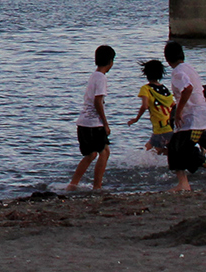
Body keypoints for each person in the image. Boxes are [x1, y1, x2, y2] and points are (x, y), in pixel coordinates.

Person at [163, 41, 206, 191]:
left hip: (192, 117)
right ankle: (183, 183)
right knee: (175, 148)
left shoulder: (177, 72)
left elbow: (188, 89)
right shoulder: (188, 67)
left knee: (183, 149)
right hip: (197, 115)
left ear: (167, 59)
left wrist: (178, 111)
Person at [66, 45, 115, 191]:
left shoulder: (94, 75)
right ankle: (97, 186)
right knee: (104, 152)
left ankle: (73, 184)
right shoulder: (101, 78)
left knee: (90, 154)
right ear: (110, 61)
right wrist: (105, 124)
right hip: (93, 123)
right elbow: (98, 102)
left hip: (83, 122)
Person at [126, 59, 174, 154]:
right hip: (170, 125)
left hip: (160, 128)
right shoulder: (165, 89)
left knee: (150, 151)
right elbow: (173, 105)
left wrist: (136, 119)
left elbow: (145, 105)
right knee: (164, 150)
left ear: (146, 74)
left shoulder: (146, 89)